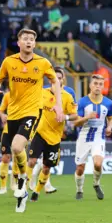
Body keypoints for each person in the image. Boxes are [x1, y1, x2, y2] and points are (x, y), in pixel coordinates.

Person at [0, 28, 64, 213]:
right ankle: (22, 183)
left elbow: (55, 82)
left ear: (35, 43)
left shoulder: (43, 62)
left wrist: (59, 105)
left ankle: (22, 183)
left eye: (32, 39)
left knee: (16, 147)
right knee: (16, 152)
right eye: (25, 39)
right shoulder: (9, 61)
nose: (29, 42)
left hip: (32, 112)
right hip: (13, 112)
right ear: (19, 42)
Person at [27, 67, 79, 202]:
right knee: (31, 161)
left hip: (55, 137)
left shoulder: (67, 96)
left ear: (63, 80)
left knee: (46, 167)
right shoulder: (42, 93)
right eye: (54, 78)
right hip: (39, 132)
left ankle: (37, 192)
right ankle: (22, 188)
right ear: (51, 80)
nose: (57, 80)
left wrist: (65, 118)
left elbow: (75, 115)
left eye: (60, 78)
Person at [73, 74, 112, 201]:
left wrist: (109, 127)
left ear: (103, 86)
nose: (97, 86)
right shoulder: (83, 102)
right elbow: (76, 123)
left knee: (98, 163)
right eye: (95, 83)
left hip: (99, 138)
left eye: (100, 84)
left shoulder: (108, 103)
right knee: (80, 168)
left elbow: (111, 118)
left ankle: (96, 184)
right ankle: (79, 190)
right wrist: (87, 117)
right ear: (90, 85)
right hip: (84, 138)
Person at [0, 92, 19, 195]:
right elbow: (0, 111)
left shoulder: (28, 94)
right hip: (7, 130)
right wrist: (2, 115)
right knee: (6, 157)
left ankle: (14, 183)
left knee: (17, 157)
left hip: (21, 131)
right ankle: (3, 187)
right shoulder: (7, 95)